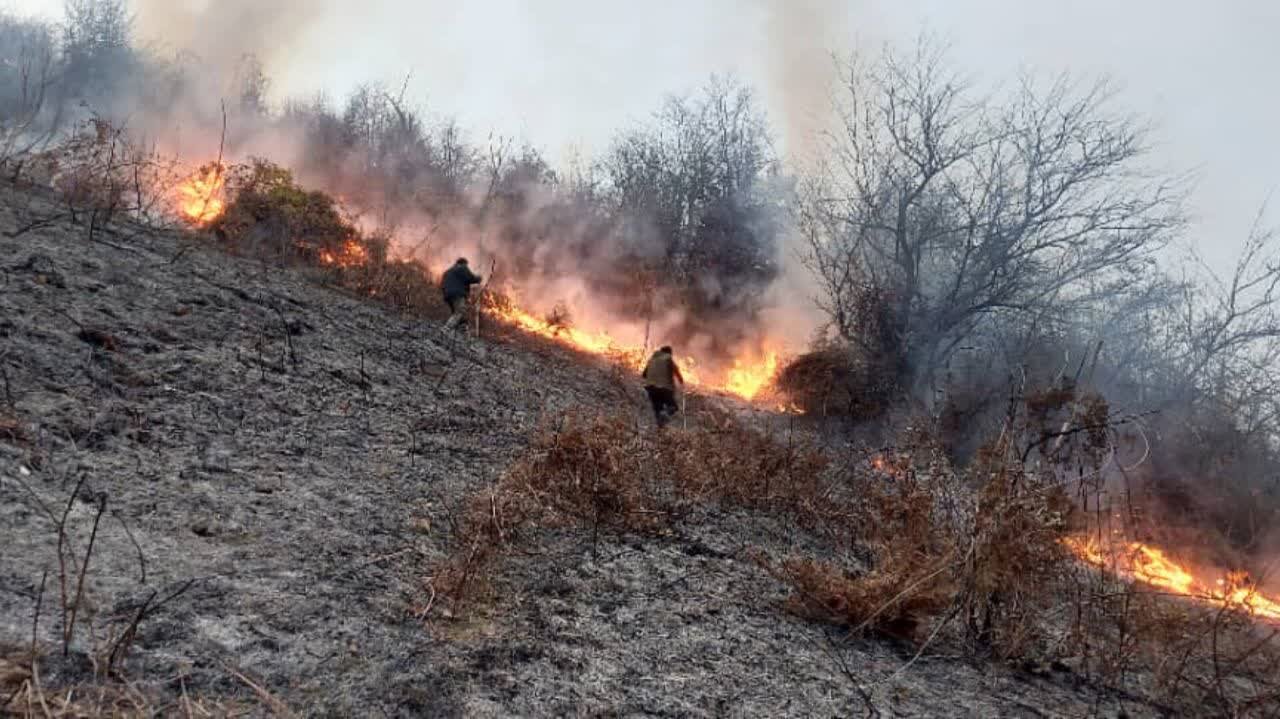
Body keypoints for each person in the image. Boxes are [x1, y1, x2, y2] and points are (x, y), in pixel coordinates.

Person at [641, 345, 684, 427]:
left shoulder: (652, 359)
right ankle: (665, 414)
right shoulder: (668, 359)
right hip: (665, 388)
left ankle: (660, 429)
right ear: (669, 353)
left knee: (658, 410)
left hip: (651, 388)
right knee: (673, 407)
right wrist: (681, 381)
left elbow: (644, 374)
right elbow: (677, 373)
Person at [441, 257, 482, 330]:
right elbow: (471, 278)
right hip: (457, 294)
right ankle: (446, 328)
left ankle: (460, 331)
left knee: (458, 314)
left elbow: (442, 284)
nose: (467, 266)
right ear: (464, 263)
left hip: (448, 295)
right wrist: (479, 278)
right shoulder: (462, 268)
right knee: (460, 311)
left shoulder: (448, 272)